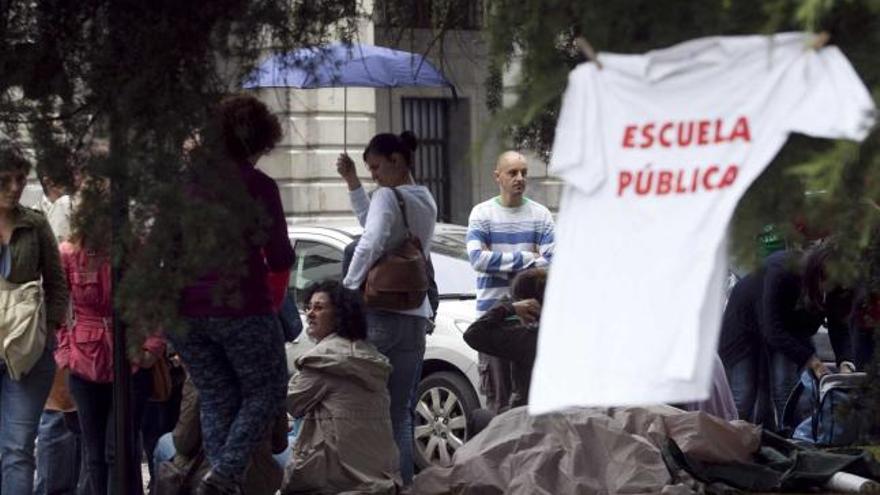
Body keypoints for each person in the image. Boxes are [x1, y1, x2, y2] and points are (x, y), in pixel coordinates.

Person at [172, 94, 293, 495]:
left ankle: (222, 481)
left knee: (216, 395)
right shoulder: (258, 186)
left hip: (186, 313)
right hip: (241, 304)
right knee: (268, 388)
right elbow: (278, 255)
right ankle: (225, 475)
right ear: (256, 142)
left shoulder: (183, 186)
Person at [336, 131, 436, 485]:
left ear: (397, 159)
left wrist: (347, 289)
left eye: (376, 167)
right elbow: (377, 223)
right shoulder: (425, 198)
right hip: (415, 317)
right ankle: (404, 486)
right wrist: (352, 183)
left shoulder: (386, 197)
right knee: (400, 415)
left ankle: (371, 484)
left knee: (365, 411)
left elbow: (370, 241)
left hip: (379, 315)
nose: (373, 175)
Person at [53, 185, 165, 495]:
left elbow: (157, 300)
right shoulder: (68, 253)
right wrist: (65, 352)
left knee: (121, 449)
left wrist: (150, 348)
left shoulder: (136, 249)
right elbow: (58, 307)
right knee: (95, 453)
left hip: (130, 357)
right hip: (84, 360)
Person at [282, 281, 401, 494]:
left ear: (339, 315)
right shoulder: (370, 355)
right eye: (308, 307)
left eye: (318, 308)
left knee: (259, 454)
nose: (309, 313)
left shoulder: (323, 359)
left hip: (337, 475)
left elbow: (292, 403)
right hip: (380, 474)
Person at [719, 245, 856, 429]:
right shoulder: (783, 271)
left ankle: (790, 438)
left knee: (786, 387)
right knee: (745, 394)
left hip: (788, 329)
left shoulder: (836, 284)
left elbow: (839, 325)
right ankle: (729, 440)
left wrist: (845, 361)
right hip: (746, 325)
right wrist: (813, 362)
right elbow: (773, 329)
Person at [0, 142, 69, 494]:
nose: (14, 187)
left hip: (28, 351)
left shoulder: (35, 223)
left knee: (17, 447)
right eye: (5, 180)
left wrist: (48, 334)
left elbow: (58, 284)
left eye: (20, 179)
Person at [466, 150, 555, 414]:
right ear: (498, 176)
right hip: (495, 320)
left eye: (524, 173)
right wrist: (529, 257)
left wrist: (501, 259)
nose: (519, 178)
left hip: (531, 322)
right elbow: (477, 258)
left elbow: (552, 260)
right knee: (499, 404)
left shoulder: (540, 215)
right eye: (512, 173)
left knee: (531, 403)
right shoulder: (482, 214)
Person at [153, 373, 288, 495]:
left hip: (209, 479)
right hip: (258, 480)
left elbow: (184, 443)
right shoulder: (270, 374)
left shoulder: (201, 374)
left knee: (163, 442)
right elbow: (280, 444)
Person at [463, 268, 546, 409]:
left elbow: (473, 334)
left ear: (528, 306)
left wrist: (509, 308)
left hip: (525, 416)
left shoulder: (526, 339)